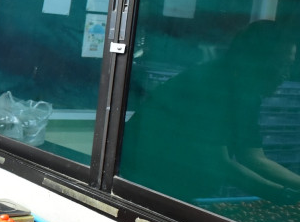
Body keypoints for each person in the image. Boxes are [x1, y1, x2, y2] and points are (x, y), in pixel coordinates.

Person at [120, 19, 300, 205]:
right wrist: (282, 195)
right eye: (282, 64)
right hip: (144, 182)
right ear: (255, 59)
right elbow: (219, 164)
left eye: (289, 66)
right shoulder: (211, 86)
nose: (285, 74)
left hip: (176, 187)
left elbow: (254, 158)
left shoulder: (248, 94)